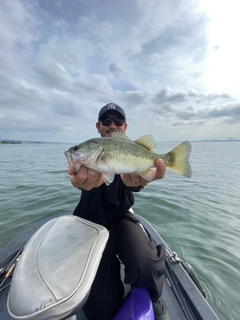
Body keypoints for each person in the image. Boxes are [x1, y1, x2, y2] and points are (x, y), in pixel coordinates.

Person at [67, 103, 170, 320]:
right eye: (106, 121)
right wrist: (79, 177)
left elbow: (134, 182)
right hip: (91, 224)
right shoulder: (89, 158)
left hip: (121, 219)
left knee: (148, 264)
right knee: (101, 309)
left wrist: (141, 180)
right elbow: (78, 177)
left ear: (125, 127)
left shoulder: (130, 150)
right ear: (98, 126)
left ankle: (153, 297)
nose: (112, 125)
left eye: (118, 121)